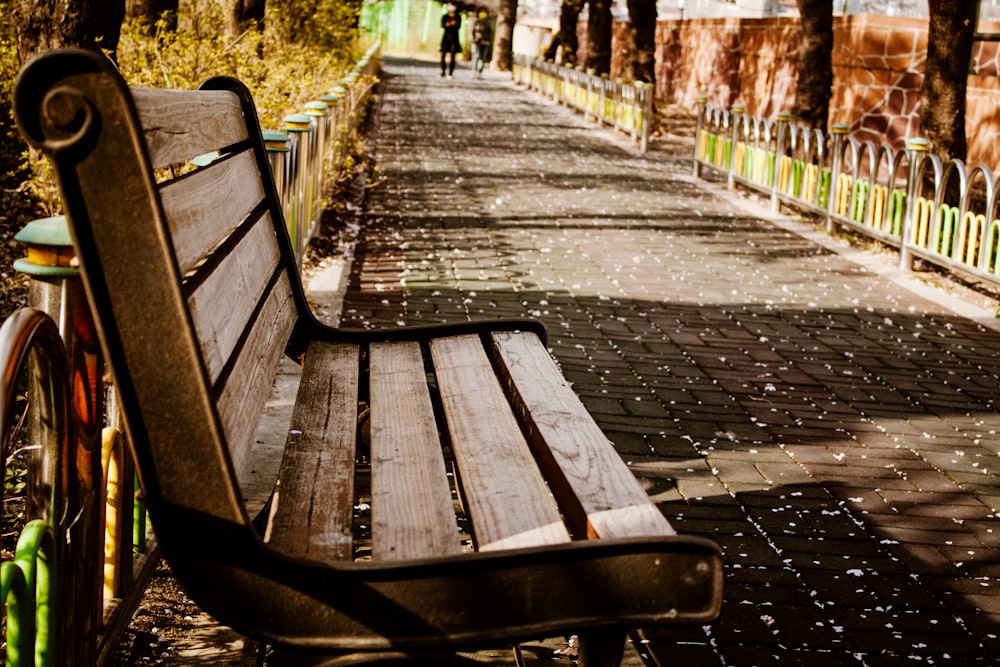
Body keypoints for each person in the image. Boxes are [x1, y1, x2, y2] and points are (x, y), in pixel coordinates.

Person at [440, 4, 462, 78]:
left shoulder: (458, 17)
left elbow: (458, 26)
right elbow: (443, 25)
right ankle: (443, 71)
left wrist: (450, 25)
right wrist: (450, 24)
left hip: (454, 39)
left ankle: (450, 73)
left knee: (453, 56)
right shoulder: (445, 17)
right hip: (446, 38)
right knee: (443, 55)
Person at [472, 9, 492, 78]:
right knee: (476, 56)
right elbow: (472, 32)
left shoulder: (488, 23)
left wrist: (488, 41)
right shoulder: (476, 22)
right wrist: (474, 40)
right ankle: (474, 72)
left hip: (485, 42)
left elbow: (490, 33)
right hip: (477, 42)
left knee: (482, 58)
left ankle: (479, 72)